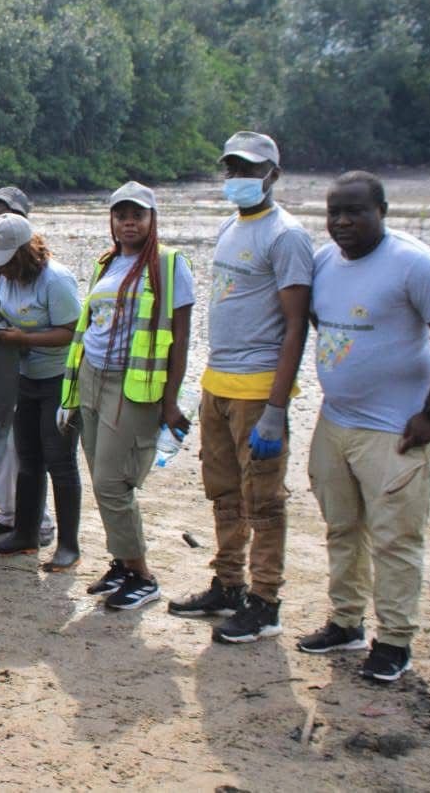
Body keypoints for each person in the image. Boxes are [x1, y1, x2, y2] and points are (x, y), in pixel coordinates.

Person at [168, 132, 313, 643]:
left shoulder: (287, 235)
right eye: (231, 169)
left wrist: (276, 407)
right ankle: (228, 584)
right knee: (224, 493)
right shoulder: (232, 225)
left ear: (273, 174)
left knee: (265, 500)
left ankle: (265, 601)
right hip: (219, 384)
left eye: (249, 170)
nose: (238, 179)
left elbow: (296, 324)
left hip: (257, 391)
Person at [298, 171, 430, 682]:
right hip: (335, 422)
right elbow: (322, 323)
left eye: (354, 211)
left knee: (395, 539)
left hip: (394, 431)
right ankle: (345, 620)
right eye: (334, 212)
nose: (342, 222)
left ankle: (395, 640)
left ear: (383, 211)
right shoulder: (323, 261)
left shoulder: (414, 264)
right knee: (341, 528)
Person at [62, 183, 195, 608]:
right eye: (121, 215)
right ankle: (121, 563)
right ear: (112, 222)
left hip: (133, 385)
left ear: (153, 219)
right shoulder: (109, 262)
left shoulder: (170, 265)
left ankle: (143, 575)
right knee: (102, 481)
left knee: (112, 482)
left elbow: (181, 338)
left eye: (137, 214)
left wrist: (170, 401)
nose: (129, 222)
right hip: (91, 378)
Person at [0, 214, 83, 569]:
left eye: (7, 261)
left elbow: (72, 332)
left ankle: (69, 544)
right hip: (24, 378)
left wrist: (25, 339)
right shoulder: (6, 278)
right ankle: (25, 533)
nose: (2, 269)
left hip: (58, 380)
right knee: (28, 458)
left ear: (25, 252)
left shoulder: (56, 280)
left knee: (60, 460)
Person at [0, 187, 54, 547]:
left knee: (24, 446)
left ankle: (38, 521)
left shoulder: (36, 270)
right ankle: (7, 513)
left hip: (22, 369)